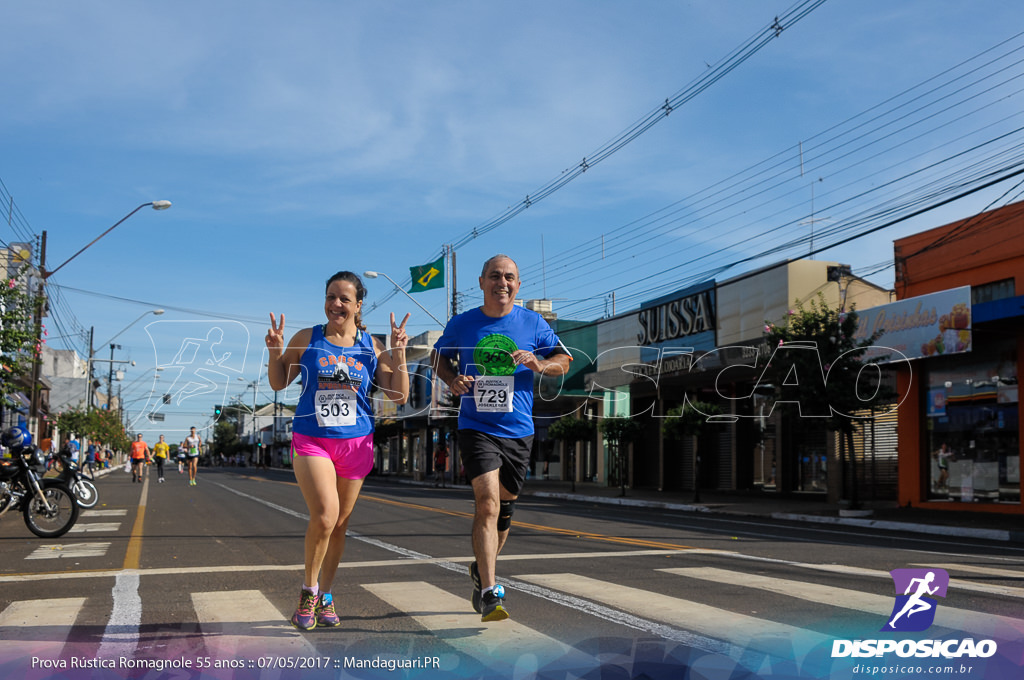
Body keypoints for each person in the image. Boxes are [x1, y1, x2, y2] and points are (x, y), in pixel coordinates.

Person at [266, 270, 410, 632]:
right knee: (327, 514)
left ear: (358, 305)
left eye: (344, 298)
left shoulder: (372, 346)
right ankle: (308, 591)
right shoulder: (308, 339)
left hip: (355, 441)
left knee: (340, 525)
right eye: (331, 296)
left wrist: (401, 354)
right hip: (312, 437)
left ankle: (326, 594)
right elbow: (279, 381)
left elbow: (399, 395)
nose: (336, 304)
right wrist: (274, 353)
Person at [431, 254, 572, 622]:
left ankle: (481, 570)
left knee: (505, 510)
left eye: (509, 277)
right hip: (476, 426)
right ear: (481, 282)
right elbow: (438, 358)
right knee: (488, 505)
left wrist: (540, 365)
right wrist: (452, 380)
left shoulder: (533, 322)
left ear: (518, 285)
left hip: (518, 430)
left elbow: (564, 359)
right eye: (495, 276)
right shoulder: (462, 324)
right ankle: (491, 592)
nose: (502, 283)